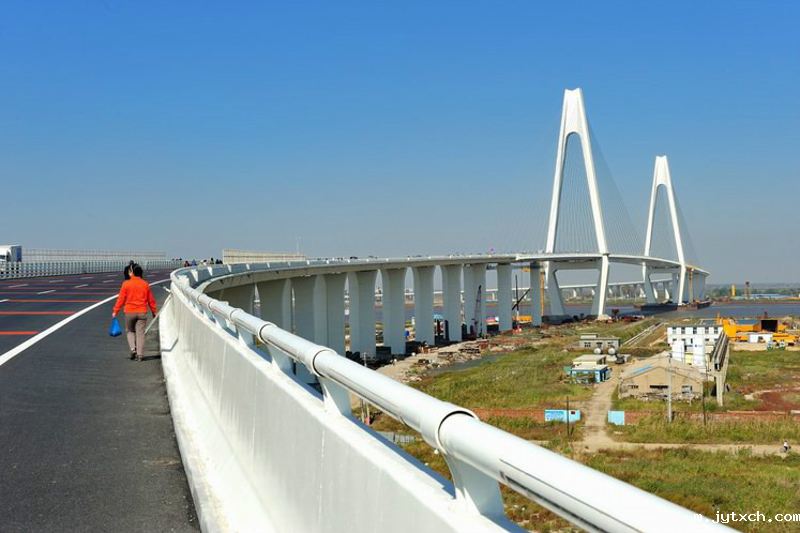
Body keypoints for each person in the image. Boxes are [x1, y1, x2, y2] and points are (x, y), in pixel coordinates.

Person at [112, 264, 157, 361]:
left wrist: (115, 311)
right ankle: (140, 355)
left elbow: (121, 299)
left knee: (130, 331)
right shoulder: (145, 284)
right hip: (142, 312)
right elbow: (151, 300)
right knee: (140, 334)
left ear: (132, 272)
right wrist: (154, 312)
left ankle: (133, 349)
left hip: (129, 312)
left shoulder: (126, 284)